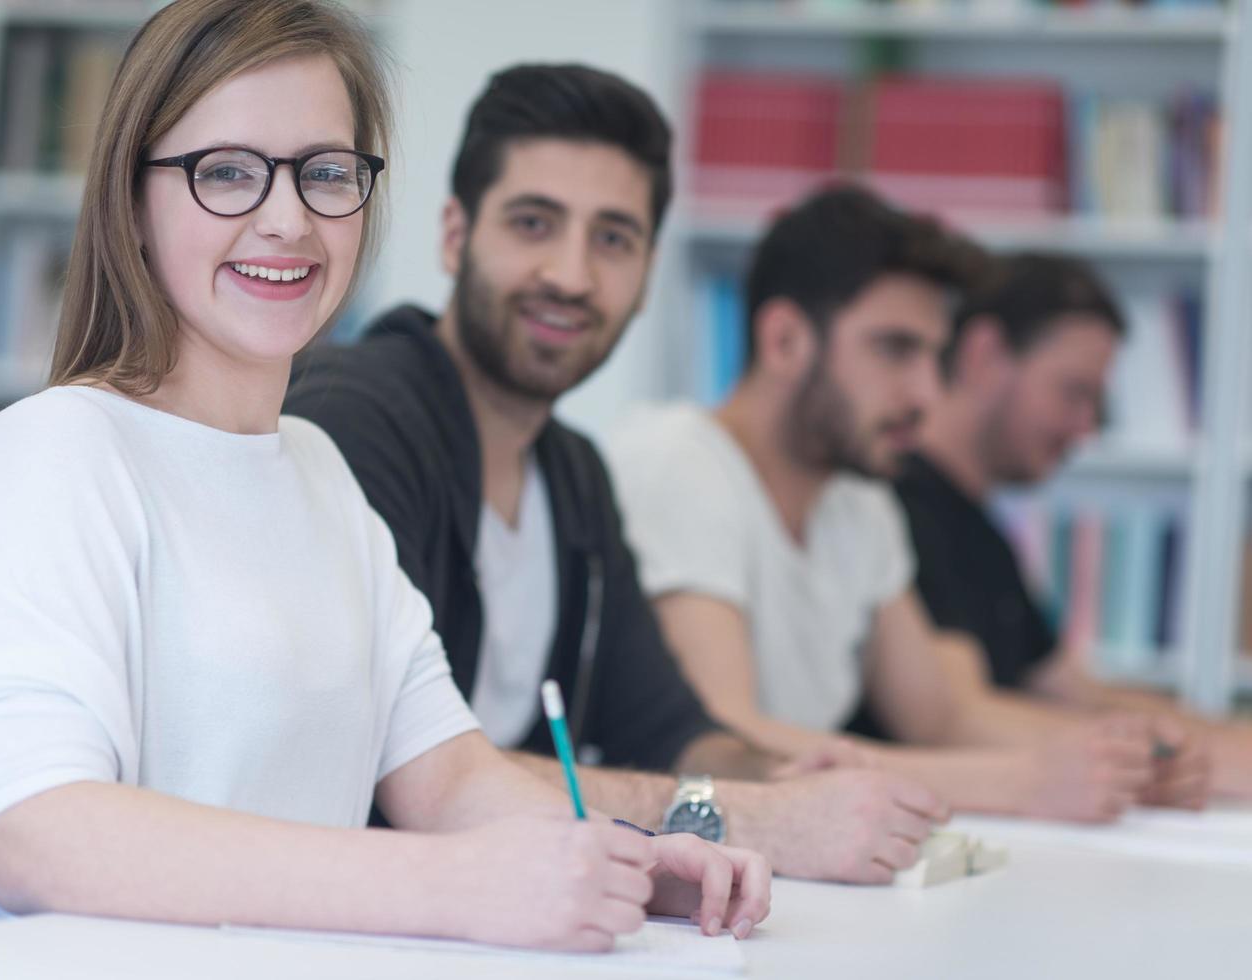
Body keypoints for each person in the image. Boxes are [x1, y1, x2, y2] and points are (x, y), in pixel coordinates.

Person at [0, 0, 770, 950]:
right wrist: (449, 885)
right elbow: (38, 836)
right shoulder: (52, 453)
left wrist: (622, 861)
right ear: (132, 206)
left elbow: (449, 777)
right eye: (226, 173)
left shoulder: (320, 471)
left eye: (327, 173)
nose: (288, 219)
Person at [286, 63, 948, 885]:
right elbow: (393, 768)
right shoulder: (354, 421)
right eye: (533, 223)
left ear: (645, 273)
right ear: (455, 235)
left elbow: (671, 731)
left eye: (611, 238)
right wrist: (742, 815)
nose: (570, 275)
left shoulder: (573, 474)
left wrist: (780, 775)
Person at [607, 186, 1196, 822]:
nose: (923, 392)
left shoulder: (860, 501)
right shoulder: (679, 460)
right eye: (894, 349)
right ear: (783, 341)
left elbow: (940, 713)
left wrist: (1118, 758)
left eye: (932, 357)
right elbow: (720, 734)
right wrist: (1021, 782)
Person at [899, 251, 1240, 801]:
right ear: (985, 355)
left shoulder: (982, 533)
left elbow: (1072, 690)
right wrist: (1199, 760)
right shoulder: (902, 507)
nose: (1085, 428)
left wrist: (1224, 739)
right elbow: (957, 714)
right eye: (1074, 392)